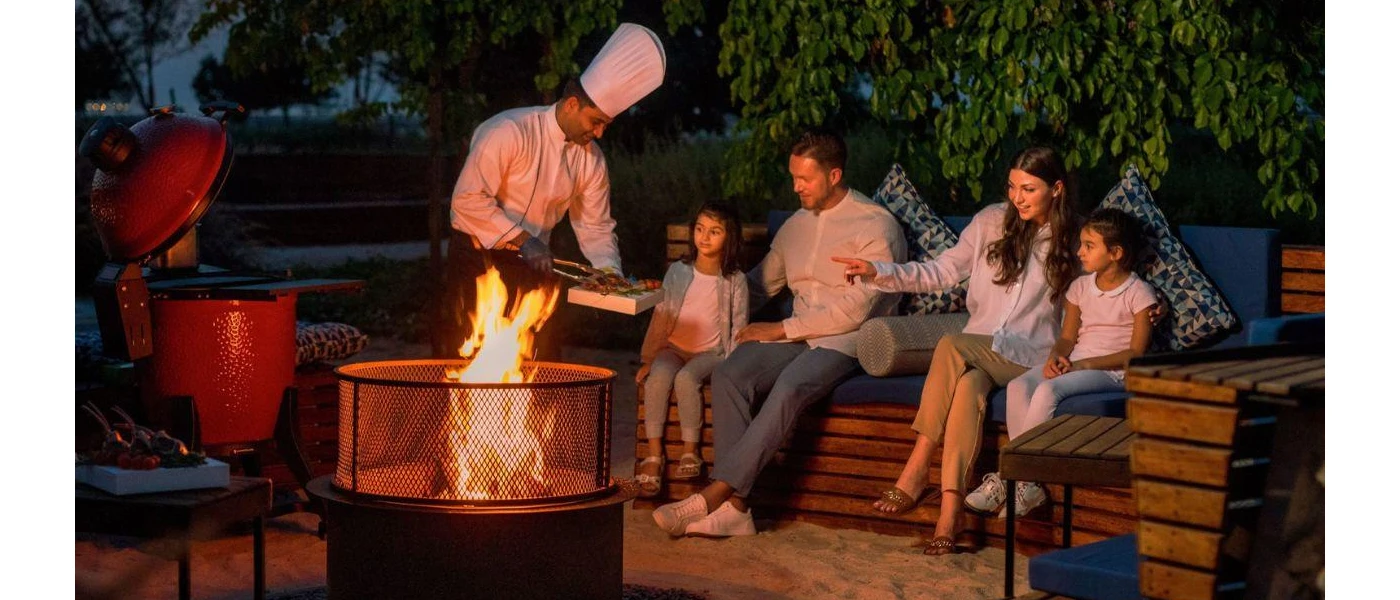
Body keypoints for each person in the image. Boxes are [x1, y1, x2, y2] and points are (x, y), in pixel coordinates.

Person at [651, 128, 907, 538]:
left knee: (789, 385)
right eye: (793, 176)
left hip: (850, 339)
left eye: (804, 179)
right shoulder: (795, 226)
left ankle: (717, 496)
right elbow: (758, 285)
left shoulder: (876, 226)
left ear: (835, 175)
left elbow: (856, 311)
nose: (795, 186)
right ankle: (738, 512)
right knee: (730, 373)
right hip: (797, 334)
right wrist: (693, 292)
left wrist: (779, 328)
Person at [830, 146, 1081, 555]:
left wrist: (1140, 314)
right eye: (1013, 186)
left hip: (1031, 355)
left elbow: (1098, 295)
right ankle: (950, 510)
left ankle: (915, 467)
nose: (1017, 198)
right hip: (983, 349)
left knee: (950, 345)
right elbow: (943, 271)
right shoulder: (990, 222)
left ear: (1056, 189)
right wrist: (881, 272)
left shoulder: (1075, 239)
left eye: (1030, 189)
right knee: (966, 389)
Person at [442, 23, 666, 356]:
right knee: (473, 364)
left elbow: (595, 225)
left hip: (535, 265)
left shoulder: (592, 161)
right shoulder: (509, 131)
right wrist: (523, 239)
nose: (601, 133)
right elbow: (466, 202)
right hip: (478, 260)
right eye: (596, 121)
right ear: (572, 104)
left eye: (607, 124)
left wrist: (609, 273)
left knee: (542, 364)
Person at [963, 207, 1158, 518]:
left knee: (1047, 393)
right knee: (1018, 385)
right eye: (1081, 243)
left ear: (1116, 253)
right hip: (1076, 361)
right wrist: (1057, 357)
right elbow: (1067, 337)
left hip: (1111, 370)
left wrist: (1081, 366)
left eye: (1089, 246)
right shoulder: (1080, 288)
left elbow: (1135, 354)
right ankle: (1025, 483)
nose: (1080, 252)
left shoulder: (1138, 293)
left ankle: (1013, 476)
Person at [633, 202, 750, 498]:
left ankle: (690, 451)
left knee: (686, 380)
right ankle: (654, 456)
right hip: (674, 347)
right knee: (658, 377)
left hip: (711, 352)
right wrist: (649, 359)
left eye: (714, 231)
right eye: (700, 229)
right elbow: (662, 315)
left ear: (729, 237)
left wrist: (733, 364)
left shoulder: (735, 281)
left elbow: (739, 326)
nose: (705, 237)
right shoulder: (678, 271)